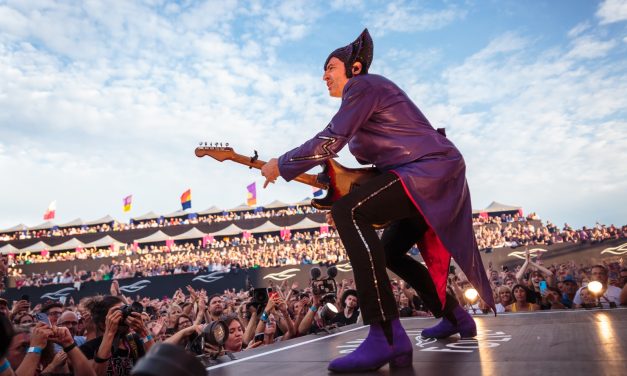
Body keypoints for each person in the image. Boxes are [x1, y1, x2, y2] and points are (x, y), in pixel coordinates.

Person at [261, 28, 494, 373]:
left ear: (354, 68)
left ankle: (386, 334)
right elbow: (372, 168)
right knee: (388, 252)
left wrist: (282, 164)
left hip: (428, 172)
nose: (324, 76)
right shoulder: (362, 103)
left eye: (331, 68)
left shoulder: (363, 87)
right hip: (428, 173)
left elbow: (330, 140)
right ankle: (454, 315)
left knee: (349, 212)